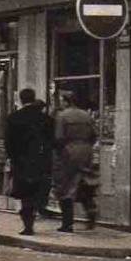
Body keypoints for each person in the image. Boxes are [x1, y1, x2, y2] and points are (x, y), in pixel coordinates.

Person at [4, 88, 53, 236]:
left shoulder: (13, 118)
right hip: (42, 161)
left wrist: (13, 158)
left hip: (21, 162)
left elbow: (9, 143)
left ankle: (28, 225)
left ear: (20, 99)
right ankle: (37, 210)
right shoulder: (46, 119)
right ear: (33, 98)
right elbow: (52, 141)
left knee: (25, 194)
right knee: (39, 190)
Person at [53, 90, 99, 232]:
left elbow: (59, 137)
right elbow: (94, 135)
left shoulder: (62, 116)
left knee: (64, 187)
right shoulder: (86, 115)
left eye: (61, 100)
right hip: (86, 152)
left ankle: (67, 223)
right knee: (84, 183)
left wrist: (58, 153)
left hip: (69, 152)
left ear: (66, 101)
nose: (60, 103)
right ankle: (90, 211)